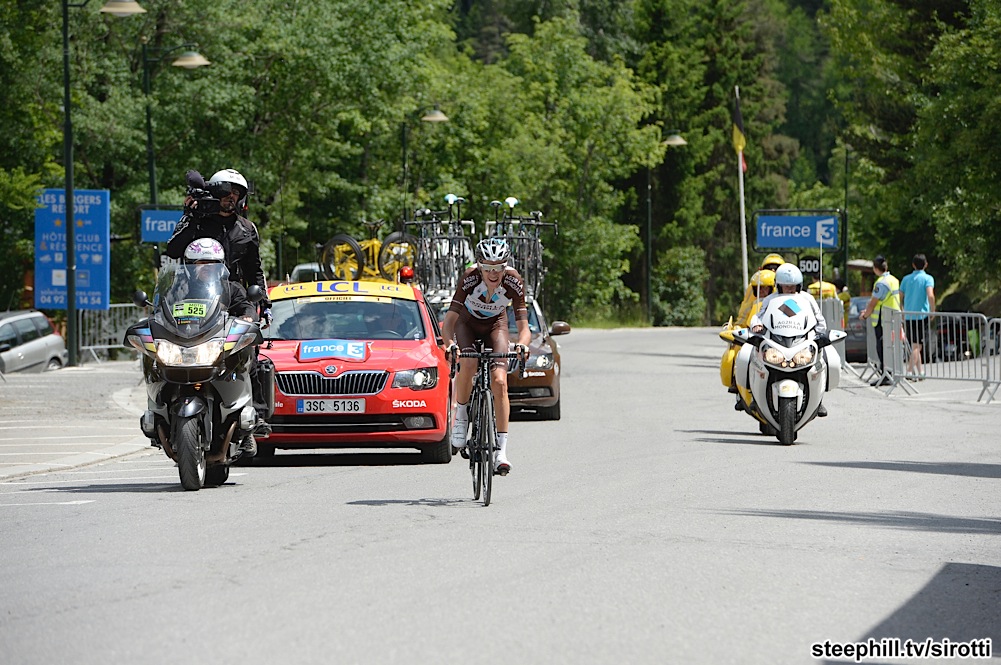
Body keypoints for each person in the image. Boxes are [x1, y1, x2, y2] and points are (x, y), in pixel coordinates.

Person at [166, 168, 272, 435]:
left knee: (248, 350)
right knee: (175, 349)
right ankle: (166, 409)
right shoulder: (197, 220)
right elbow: (173, 250)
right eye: (225, 191)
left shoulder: (247, 228)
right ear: (214, 192)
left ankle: (256, 415)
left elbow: (254, 270)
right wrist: (189, 216)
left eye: (236, 192)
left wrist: (262, 304)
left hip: (234, 295)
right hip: (195, 294)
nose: (230, 196)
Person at [439, 238, 531, 475]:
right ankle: (461, 416)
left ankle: (501, 452)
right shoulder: (469, 277)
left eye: (498, 267)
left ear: (505, 266)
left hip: (496, 325)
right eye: (488, 268)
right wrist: (450, 345)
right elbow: (449, 322)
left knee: (500, 381)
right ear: (479, 266)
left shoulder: (513, 281)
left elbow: (524, 327)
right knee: (469, 362)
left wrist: (522, 345)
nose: (493, 273)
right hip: (467, 324)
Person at [181, 238, 259, 456]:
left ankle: (247, 425)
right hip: (187, 346)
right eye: (200, 263)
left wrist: (247, 318)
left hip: (221, 347)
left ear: (221, 265)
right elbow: (162, 309)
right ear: (189, 266)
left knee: (248, 359)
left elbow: (246, 307)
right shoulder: (180, 289)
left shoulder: (231, 288)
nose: (206, 267)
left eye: (212, 263)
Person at [750, 263, 829, 417]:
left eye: (793, 286)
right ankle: (755, 397)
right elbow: (758, 316)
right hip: (776, 341)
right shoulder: (770, 299)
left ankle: (819, 400)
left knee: (828, 359)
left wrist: (819, 335)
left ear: (799, 286)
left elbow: (820, 320)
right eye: (786, 286)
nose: (789, 289)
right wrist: (756, 326)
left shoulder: (807, 298)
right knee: (748, 355)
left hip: (802, 341)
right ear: (778, 286)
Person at [859, 255, 901, 386]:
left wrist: (865, 315)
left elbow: (873, 302)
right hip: (893, 317)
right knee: (890, 347)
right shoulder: (893, 280)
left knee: (882, 347)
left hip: (882, 320)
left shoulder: (881, 283)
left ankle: (886, 375)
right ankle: (891, 374)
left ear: (876, 269)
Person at [898, 253, 936, 379]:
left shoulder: (906, 279)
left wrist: (901, 310)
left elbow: (899, 297)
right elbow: (930, 295)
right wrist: (932, 310)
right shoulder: (928, 278)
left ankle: (921, 371)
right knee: (917, 346)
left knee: (914, 344)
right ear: (926, 264)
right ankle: (909, 371)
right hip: (921, 316)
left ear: (913, 265)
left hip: (909, 316)